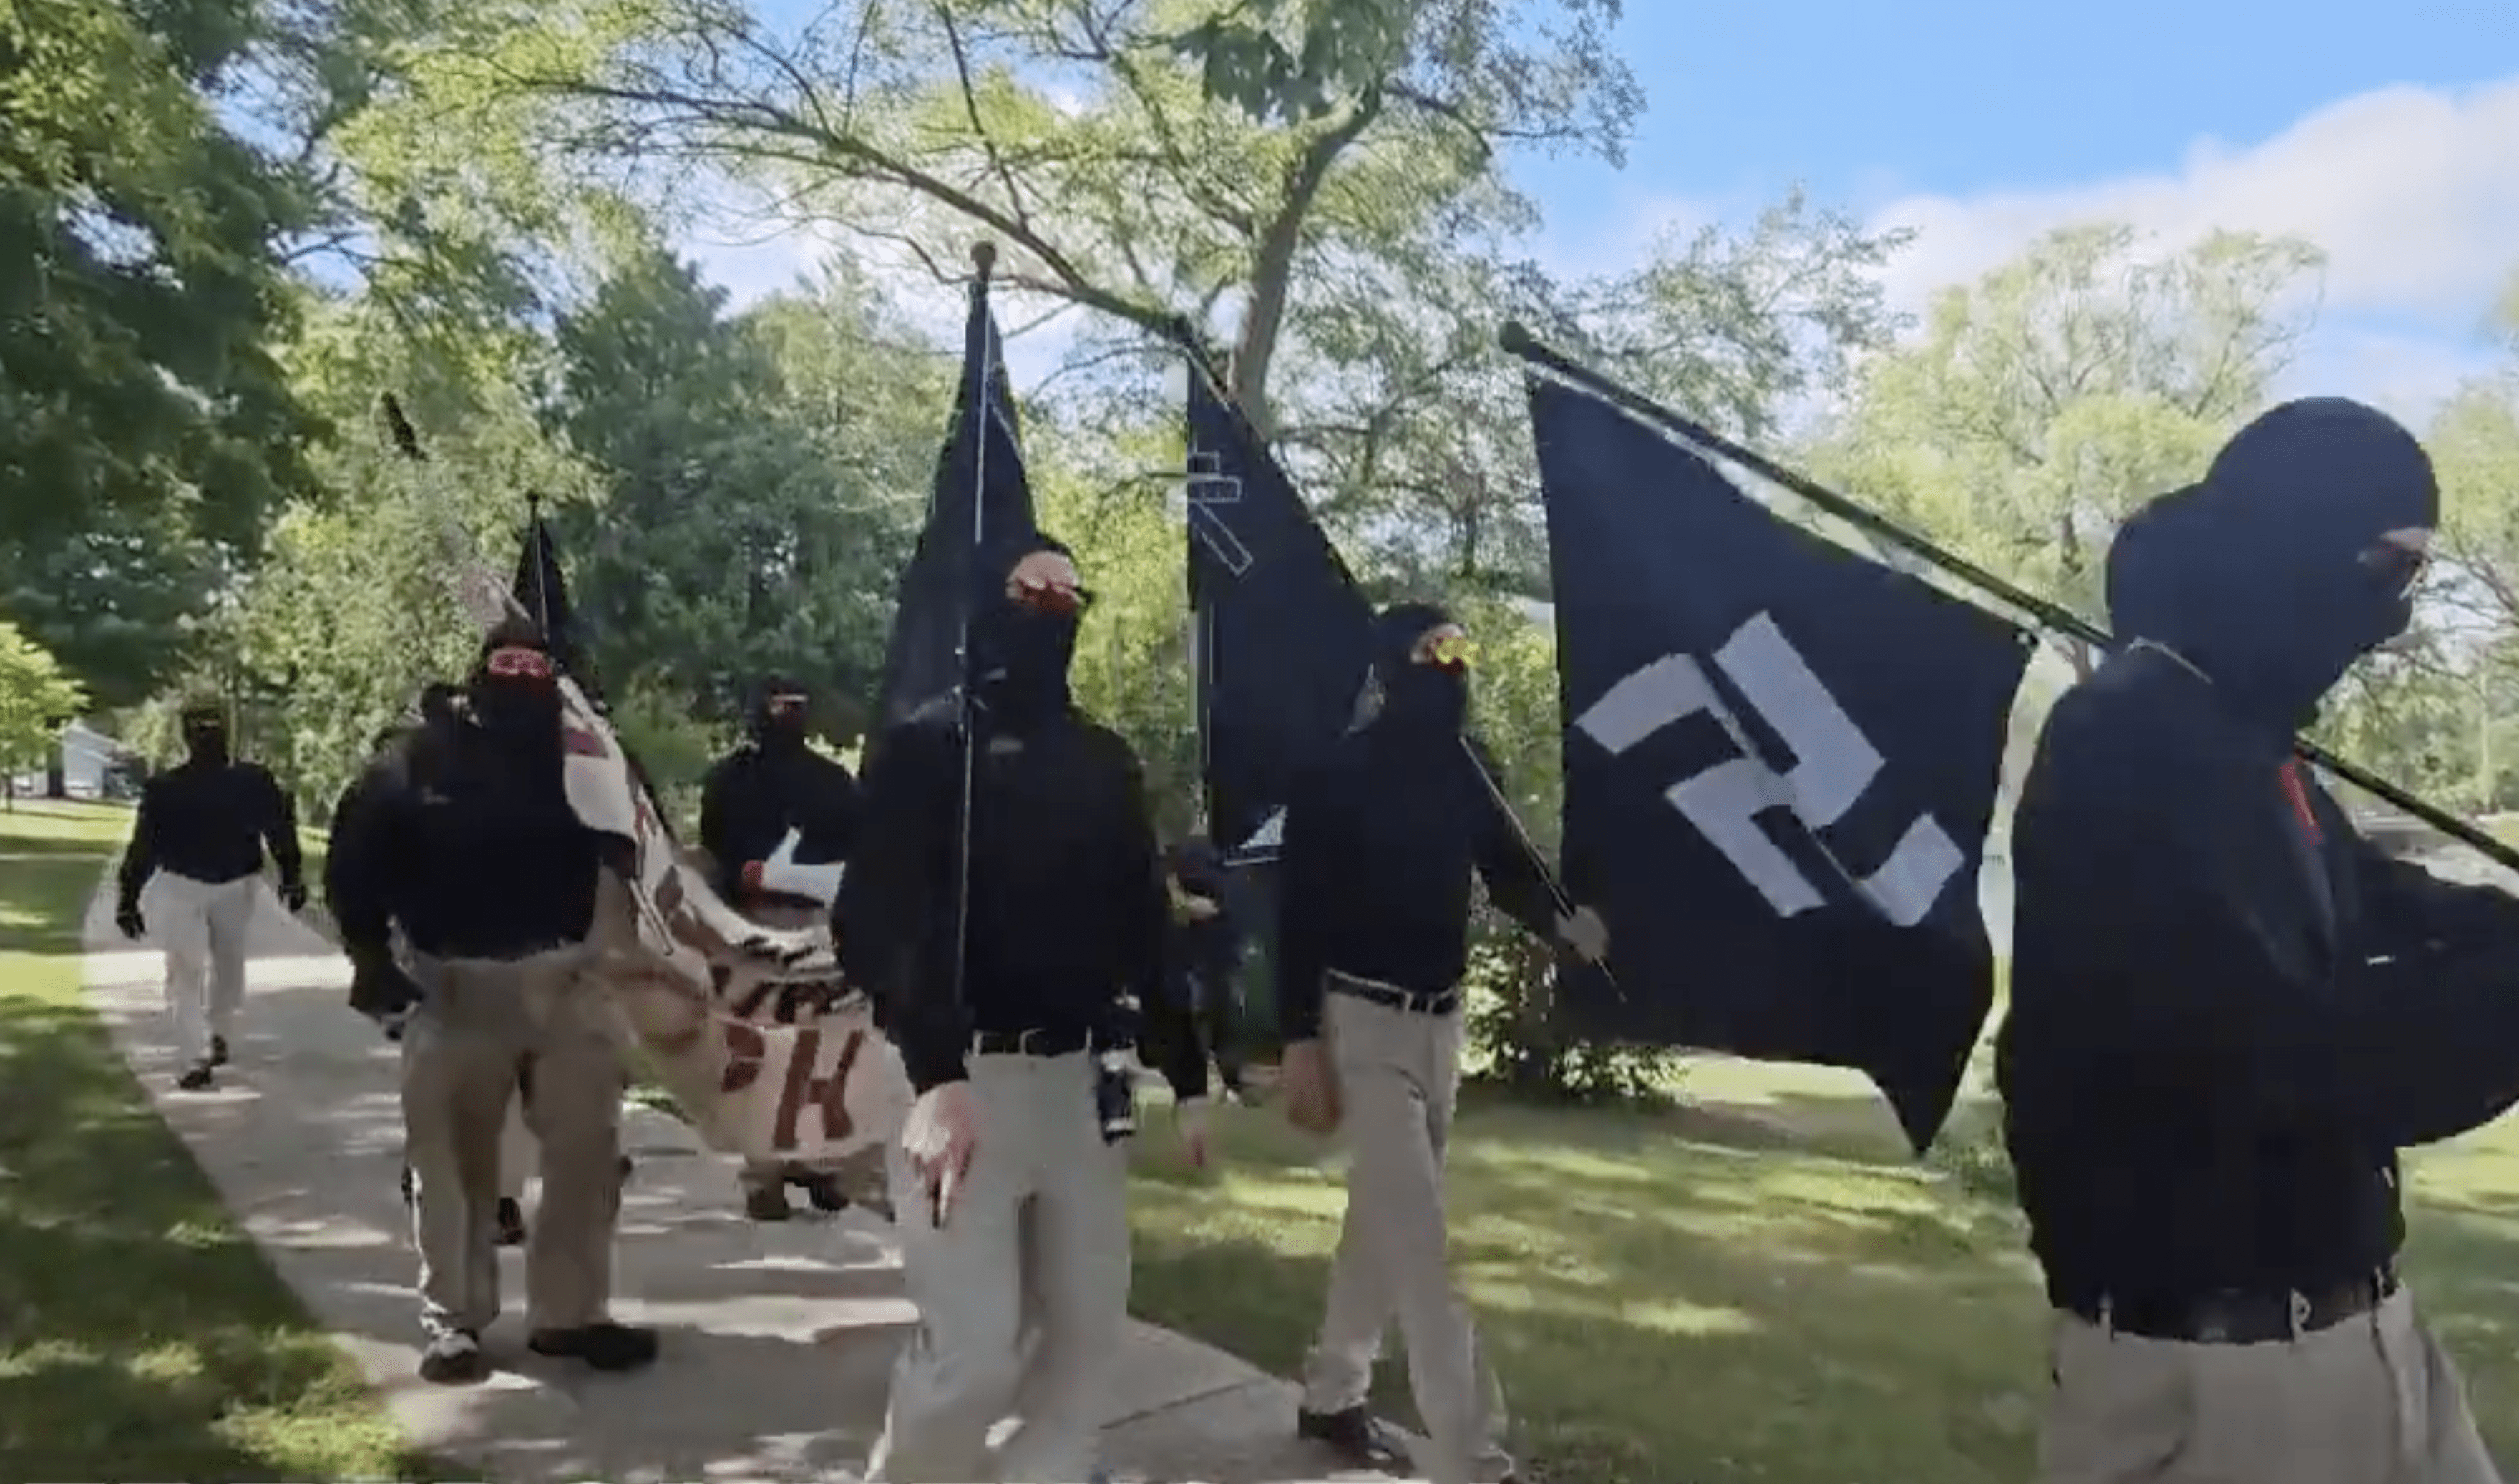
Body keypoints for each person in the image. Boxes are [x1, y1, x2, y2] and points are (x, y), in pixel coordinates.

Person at [1999, 397, 2519, 1484]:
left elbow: (2389, 898)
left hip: (2369, 1333)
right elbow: (2288, 1057)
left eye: (2415, 581)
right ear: (2291, 539)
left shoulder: (2243, 742)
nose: (2396, 617)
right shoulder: (2124, 742)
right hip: (2223, 1381)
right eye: (2386, 569)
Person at [837, 537, 1209, 1484]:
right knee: (972, 1355)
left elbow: (1144, 921)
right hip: (961, 1086)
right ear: (985, 607)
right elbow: (874, 925)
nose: (1049, 605)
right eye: (1026, 588)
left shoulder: (1103, 761)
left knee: (1086, 1339)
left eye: (1065, 593)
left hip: (1083, 1090)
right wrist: (936, 1075)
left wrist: (1191, 1072)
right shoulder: (925, 746)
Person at [1274, 602, 1607, 1484]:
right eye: (1434, 650)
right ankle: (1475, 1459)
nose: (1452, 665)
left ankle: (1333, 1391)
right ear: (1392, 666)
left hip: (1441, 1026)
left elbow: (1508, 875)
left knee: (1382, 1224)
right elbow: (1297, 919)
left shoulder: (1471, 769)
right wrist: (1298, 1041)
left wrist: (1566, 927)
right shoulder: (1335, 775)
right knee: (1424, 1246)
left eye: (1462, 648)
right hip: (1364, 1025)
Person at [327, 617, 657, 1386]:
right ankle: (455, 1322)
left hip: (570, 985)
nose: (519, 674)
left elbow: (645, 849)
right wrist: (370, 958)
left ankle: (569, 1317)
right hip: (455, 988)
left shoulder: (591, 756)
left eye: (535, 663)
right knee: (452, 1164)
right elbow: (354, 862)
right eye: (504, 660)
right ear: (478, 672)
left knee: (587, 1158)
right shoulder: (417, 758)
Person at [698, 673, 869, 1221]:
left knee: (824, 1048)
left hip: (816, 921)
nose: (786, 714)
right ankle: (764, 1175)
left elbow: (857, 851)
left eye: (795, 705)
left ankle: (819, 1165)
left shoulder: (831, 782)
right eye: (777, 704)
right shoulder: (731, 780)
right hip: (751, 923)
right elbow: (716, 848)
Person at [115, 696, 308, 1090]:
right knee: (188, 971)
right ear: (189, 736)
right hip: (186, 885)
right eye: (202, 729)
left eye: (212, 728)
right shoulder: (169, 788)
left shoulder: (251, 782)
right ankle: (195, 1055)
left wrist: (292, 875)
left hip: (233, 884)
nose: (208, 737)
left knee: (224, 967)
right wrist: (128, 894)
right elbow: (144, 846)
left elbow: (280, 830)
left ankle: (215, 1033)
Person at [1164, 835, 1252, 1100]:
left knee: (1219, 1020)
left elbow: (1213, 911)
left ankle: (1229, 1081)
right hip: (1202, 959)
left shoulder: (1219, 885)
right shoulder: (1217, 879)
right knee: (1208, 1019)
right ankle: (1222, 1082)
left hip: (1212, 959)